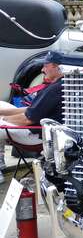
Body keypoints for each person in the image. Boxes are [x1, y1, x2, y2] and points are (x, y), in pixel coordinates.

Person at [0, 51, 64, 179]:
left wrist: (4, 119)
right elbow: (30, 109)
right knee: (1, 104)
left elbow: (27, 120)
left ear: (57, 67)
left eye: (46, 65)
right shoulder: (60, 85)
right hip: (43, 131)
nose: (42, 69)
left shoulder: (53, 90)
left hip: (36, 135)